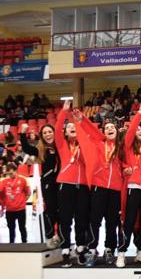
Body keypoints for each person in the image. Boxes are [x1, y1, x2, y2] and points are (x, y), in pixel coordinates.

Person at [73, 108, 124, 267]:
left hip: (115, 188)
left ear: (117, 131)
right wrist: (82, 119)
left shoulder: (120, 147)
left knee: (112, 221)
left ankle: (109, 249)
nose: (110, 129)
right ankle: (92, 249)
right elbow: (91, 130)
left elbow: (127, 161)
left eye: (112, 128)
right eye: (107, 128)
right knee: (95, 220)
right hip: (99, 187)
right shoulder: (99, 143)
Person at [117, 96, 141, 268]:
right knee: (129, 221)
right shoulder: (128, 146)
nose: (139, 131)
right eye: (137, 129)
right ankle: (122, 253)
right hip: (132, 188)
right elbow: (130, 132)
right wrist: (140, 112)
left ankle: (140, 252)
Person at [55, 101, 90, 268]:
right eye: (69, 127)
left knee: (81, 219)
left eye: (73, 126)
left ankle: (81, 248)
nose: (71, 128)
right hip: (65, 185)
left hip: (82, 186)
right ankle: (65, 250)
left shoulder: (84, 146)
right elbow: (56, 131)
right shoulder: (62, 145)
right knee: (65, 219)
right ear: (65, 132)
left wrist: (79, 122)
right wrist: (64, 113)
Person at [20, 122, 60, 249]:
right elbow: (26, 148)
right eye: (45, 133)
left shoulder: (61, 146)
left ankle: (59, 236)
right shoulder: (40, 149)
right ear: (42, 136)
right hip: (48, 184)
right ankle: (49, 236)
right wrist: (22, 133)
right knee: (50, 211)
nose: (48, 134)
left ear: (54, 133)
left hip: (62, 184)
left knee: (62, 212)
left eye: (50, 131)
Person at [0, 163, 31, 243]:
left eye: (11, 173)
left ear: (15, 171)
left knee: (22, 227)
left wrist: (23, 201)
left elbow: (28, 192)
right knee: (11, 228)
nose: (10, 175)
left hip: (20, 209)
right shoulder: (4, 182)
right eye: (9, 174)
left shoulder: (22, 180)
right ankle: (11, 244)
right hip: (9, 209)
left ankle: (25, 243)